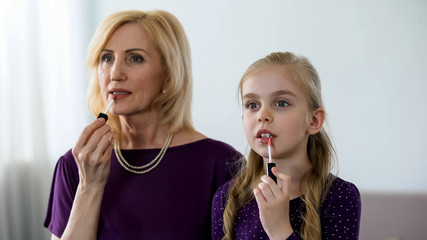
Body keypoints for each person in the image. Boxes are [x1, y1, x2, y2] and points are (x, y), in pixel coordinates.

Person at [44, 10, 241, 240]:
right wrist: (89, 187)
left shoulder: (221, 164)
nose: (115, 73)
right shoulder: (75, 164)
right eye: (107, 58)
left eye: (135, 58)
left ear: (169, 74)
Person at [212, 52, 361, 240]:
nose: (262, 115)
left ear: (314, 121)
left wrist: (279, 229)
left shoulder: (340, 196)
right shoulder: (226, 197)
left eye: (281, 103)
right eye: (252, 105)